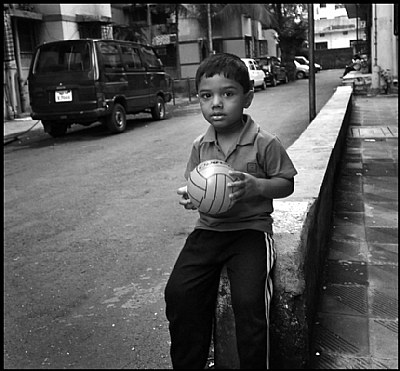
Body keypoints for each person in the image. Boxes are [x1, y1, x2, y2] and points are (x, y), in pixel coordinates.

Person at [164, 53, 297, 369]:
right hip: (208, 231)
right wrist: (192, 196)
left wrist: (256, 186)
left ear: (247, 97)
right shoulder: (201, 145)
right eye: (206, 96)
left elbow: (286, 183)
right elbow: (198, 186)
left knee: (249, 302)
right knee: (179, 294)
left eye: (228, 94)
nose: (216, 104)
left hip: (250, 231)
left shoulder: (264, 142)